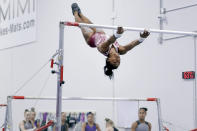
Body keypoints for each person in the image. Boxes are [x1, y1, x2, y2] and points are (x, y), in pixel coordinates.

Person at [71, 3, 150, 79]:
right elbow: (131, 45)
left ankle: (75, 13)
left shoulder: (104, 49)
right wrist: (142, 38)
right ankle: (81, 13)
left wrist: (117, 34)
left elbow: (109, 41)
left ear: (108, 60)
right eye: (118, 62)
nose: (117, 60)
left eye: (114, 62)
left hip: (91, 39)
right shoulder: (120, 50)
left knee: (82, 25)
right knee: (91, 24)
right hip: (101, 34)